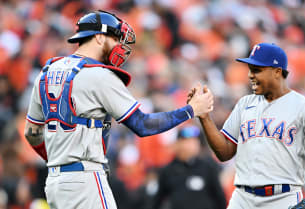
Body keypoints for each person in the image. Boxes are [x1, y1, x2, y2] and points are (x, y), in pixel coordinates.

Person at [23, 10, 213, 209]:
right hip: (85, 180)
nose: (118, 46)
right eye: (115, 38)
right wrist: (191, 110)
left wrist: (58, 160)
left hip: (54, 183)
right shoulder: (99, 75)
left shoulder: (46, 73)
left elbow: (32, 133)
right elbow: (143, 125)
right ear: (98, 37)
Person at [190, 43, 305, 209]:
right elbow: (224, 153)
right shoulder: (244, 104)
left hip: (282, 198)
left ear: (277, 72)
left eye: (257, 70)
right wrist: (205, 118)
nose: (250, 75)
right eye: (250, 69)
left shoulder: (304, 107)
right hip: (242, 197)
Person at [151, 125, 227, 209]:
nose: (192, 145)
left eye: (195, 141)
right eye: (187, 141)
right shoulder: (167, 171)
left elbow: (220, 198)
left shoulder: (208, 168)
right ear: (178, 144)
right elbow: (157, 201)